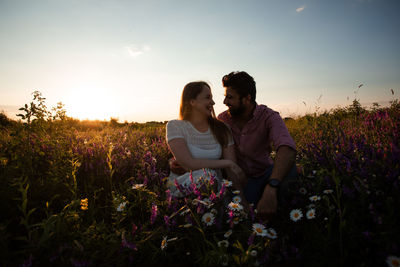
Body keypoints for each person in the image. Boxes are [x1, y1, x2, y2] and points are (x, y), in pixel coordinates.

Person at [218, 71, 298, 219]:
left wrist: (271, 187)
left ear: (247, 98)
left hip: (266, 174)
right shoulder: (222, 120)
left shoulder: (269, 116)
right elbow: (206, 145)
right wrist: (180, 159)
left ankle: (284, 217)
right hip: (241, 180)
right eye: (225, 97)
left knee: (291, 170)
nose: (225, 102)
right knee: (247, 214)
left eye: (230, 97)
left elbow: (287, 148)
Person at [166, 81, 246, 198]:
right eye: (208, 97)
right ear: (192, 101)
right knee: (207, 177)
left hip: (215, 190)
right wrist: (227, 163)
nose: (213, 102)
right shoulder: (175, 126)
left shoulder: (222, 128)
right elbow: (189, 164)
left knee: (210, 180)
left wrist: (241, 199)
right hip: (183, 188)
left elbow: (231, 171)